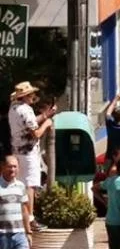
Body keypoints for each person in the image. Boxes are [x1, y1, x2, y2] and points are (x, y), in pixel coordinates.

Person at [7, 82, 56, 232]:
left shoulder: (14, 109)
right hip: (29, 154)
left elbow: (29, 124)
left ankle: (23, 217)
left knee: (22, 184)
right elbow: (35, 133)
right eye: (31, 94)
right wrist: (47, 122)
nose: (34, 97)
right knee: (30, 185)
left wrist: (46, 114)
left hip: (17, 151)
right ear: (26, 96)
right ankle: (30, 218)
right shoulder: (26, 110)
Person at [0, 155, 31, 249]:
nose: (12, 169)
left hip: (20, 235)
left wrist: (28, 232)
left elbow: (24, 210)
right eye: (10, 166)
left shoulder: (21, 186)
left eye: (15, 166)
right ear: (3, 166)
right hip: (2, 236)